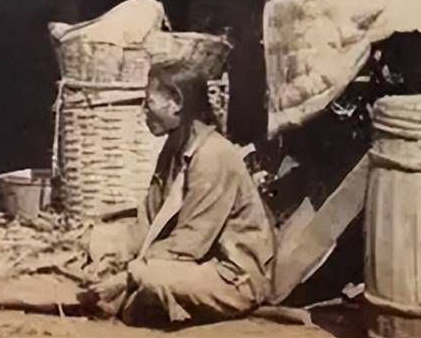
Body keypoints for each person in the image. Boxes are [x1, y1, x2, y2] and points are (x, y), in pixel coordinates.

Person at [78, 65, 275, 327]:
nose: (144, 110)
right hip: (189, 262)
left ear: (176, 104)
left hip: (231, 276)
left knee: (149, 279)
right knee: (99, 244)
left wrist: (128, 275)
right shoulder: (173, 149)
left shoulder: (214, 156)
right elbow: (146, 222)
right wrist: (111, 259)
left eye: (149, 102)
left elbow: (190, 242)